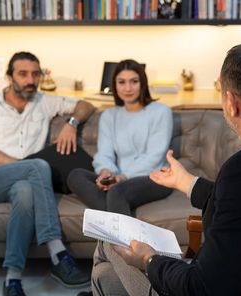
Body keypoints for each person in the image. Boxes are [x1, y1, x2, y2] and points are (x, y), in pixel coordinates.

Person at [85, 41, 241, 296]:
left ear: (231, 103)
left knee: (108, 243)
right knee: (104, 277)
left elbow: (203, 289)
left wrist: (149, 259)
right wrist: (189, 183)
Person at [0, 51, 95, 296]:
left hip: (23, 181)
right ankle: (58, 253)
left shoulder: (44, 101)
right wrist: (27, 166)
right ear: (9, 77)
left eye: (35, 74)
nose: (30, 79)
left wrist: (71, 123)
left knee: (25, 192)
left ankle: (12, 279)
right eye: (23, 74)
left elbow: (86, 105)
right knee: (37, 167)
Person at [67, 59, 173, 216]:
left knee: (116, 193)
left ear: (142, 83)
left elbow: (155, 156)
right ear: (115, 86)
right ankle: (115, 217)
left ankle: (117, 237)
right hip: (118, 179)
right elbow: (104, 153)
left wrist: (122, 178)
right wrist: (106, 173)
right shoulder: (109, 116)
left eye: (134, 82)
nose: (128, 88)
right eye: (121, 82)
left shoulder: (161, 112)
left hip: (155, 177)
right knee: (75, 176)